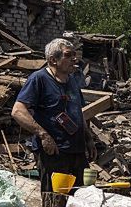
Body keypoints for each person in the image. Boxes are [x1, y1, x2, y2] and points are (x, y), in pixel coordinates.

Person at [12, 38, 97, 193]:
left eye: (75, 54)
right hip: (55, 153)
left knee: (81, 199)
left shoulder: (72, 81)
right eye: (68, 55)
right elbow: (18, 111)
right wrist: (43, 135)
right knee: (56, 200)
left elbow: (78, 112)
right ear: (53, 60)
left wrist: (89, 138)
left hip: (77, 152)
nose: (74, 58)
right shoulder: (39, 79)